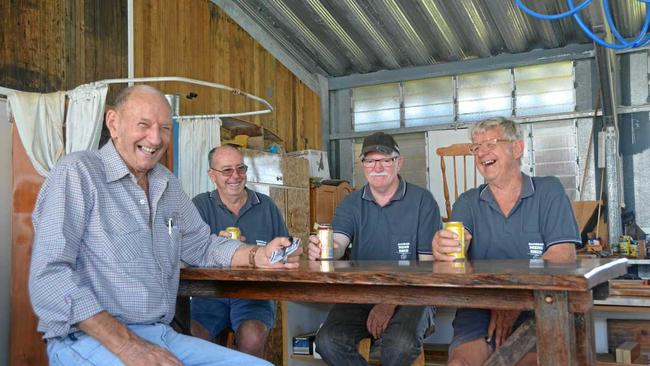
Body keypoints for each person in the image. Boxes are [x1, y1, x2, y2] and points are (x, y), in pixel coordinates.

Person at [28, 85, 300, 366]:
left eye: (164, 128)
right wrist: (130, 347)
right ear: (113, 123)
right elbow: (50, 277)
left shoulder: (166, 183)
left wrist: (258, 256)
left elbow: (201, 245)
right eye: (143, 125)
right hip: (90, 338)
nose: (155, 139)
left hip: (160, 334)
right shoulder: (77, 173)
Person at [432, 117, 580, 366]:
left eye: (490, 143)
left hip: (538, 306)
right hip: (480, 307)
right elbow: (455, 254)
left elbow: (562, 255)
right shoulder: (468, 201)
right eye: (476, 147)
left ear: (517, 148)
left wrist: (512, 303)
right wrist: (444, 249)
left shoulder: (548, 191)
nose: (481, 153)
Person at [307, 131, 441, 366]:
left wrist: (390, 300)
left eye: (385, 160)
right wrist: (323, 250)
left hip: (414, 295)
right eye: (370, 160)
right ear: (362, 165)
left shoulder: (423, 201)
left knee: (399, 344)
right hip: (363, 293)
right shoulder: (351, 203)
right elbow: (338, 243)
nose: (377, 167)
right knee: (327, 341)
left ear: (399, 162)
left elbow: (428, 266)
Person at [190, 145, 288, 357]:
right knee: (192, 335)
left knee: (252, 336)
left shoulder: (266, 206)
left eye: (240, 169)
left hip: (254, 294)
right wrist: (216, 245)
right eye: (226, 170)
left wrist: (284, 251)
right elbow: (186, 253)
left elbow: (286, 251)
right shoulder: (198, 206)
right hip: (209, 294)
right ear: (212, 175)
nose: (235, 176)